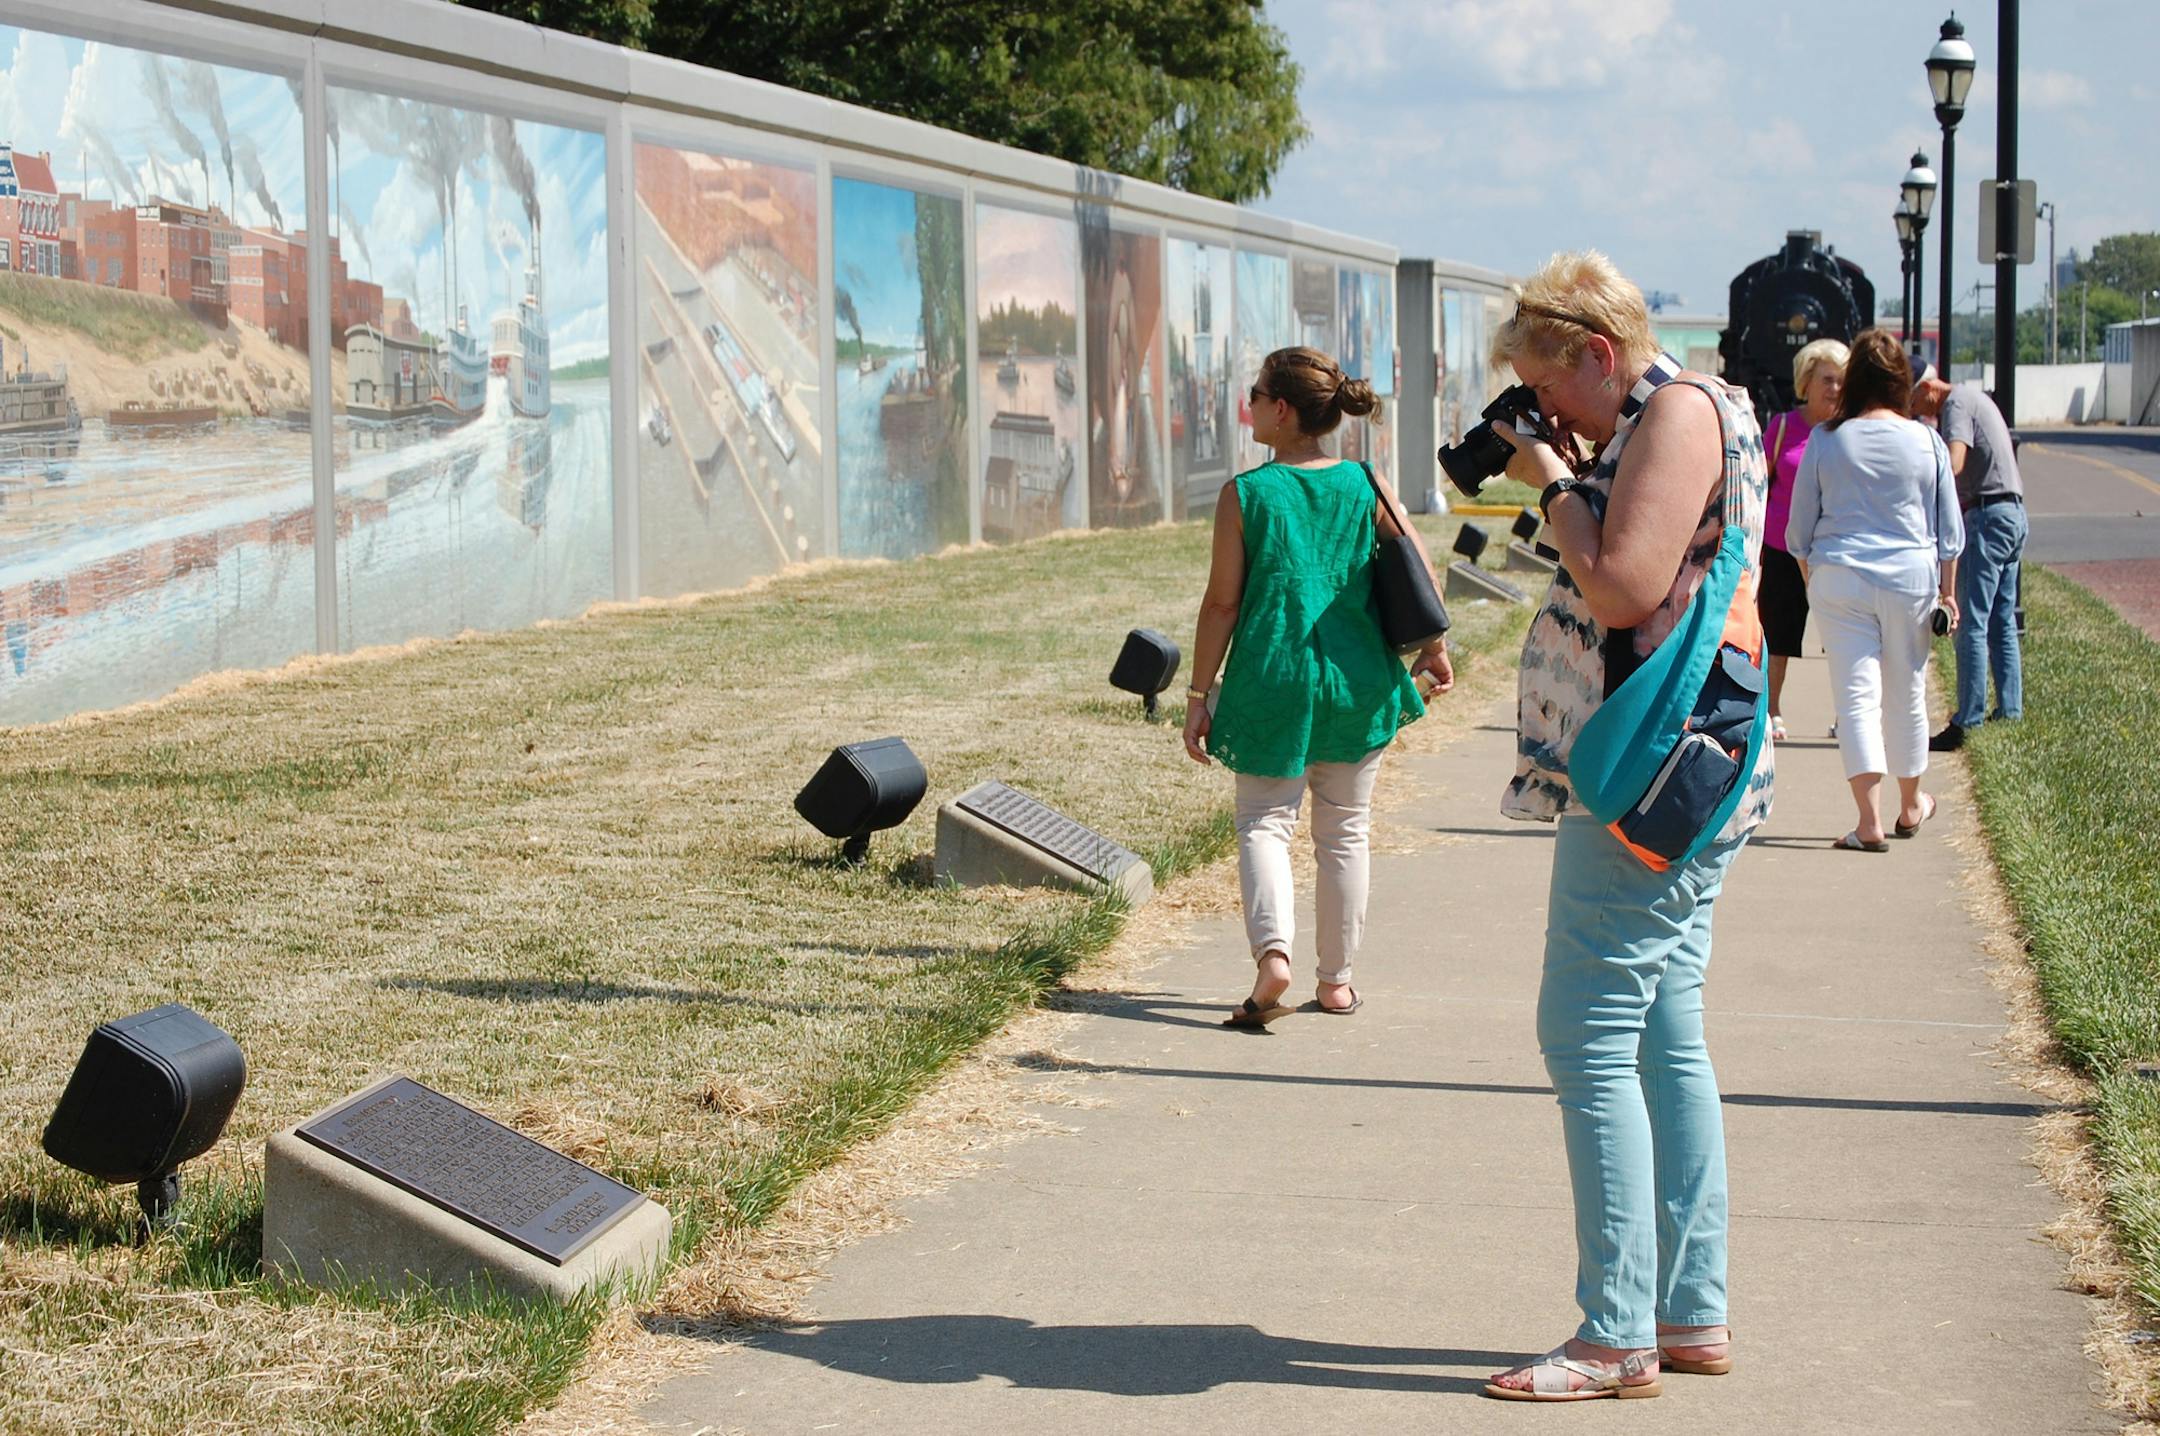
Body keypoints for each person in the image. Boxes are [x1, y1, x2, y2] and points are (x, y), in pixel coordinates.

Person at [1481, 252, 1772, 1402]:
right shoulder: (1689, 409)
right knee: (1663, 1028)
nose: (1545, 412)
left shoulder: (1676, 417)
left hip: (1652, 768)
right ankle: (1686, 1308)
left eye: (1552, 389)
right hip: (1689, 756)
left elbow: (1624, 589)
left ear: (1599, 352)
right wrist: (1576, 459)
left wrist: (1554, 483)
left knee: (1586, 1030)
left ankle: (1615, 1333)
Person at [1180, 346, 1453, 1028]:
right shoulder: (1366, 483)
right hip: (1355, 681)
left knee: (1265, 823)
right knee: (1345, 833)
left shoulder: (1245, 495)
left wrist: (1197, 694)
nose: (1247, 403)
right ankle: (1337, 983)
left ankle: (1274, 957)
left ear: (1281, 408)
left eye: (1255, 392)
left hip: (1272, 677)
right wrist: (1435, 647)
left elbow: (1221, 604)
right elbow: (1416, 567)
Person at [1785, 329, 1963, 851]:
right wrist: (1947, 595)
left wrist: (1812, 579)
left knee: (1856, 697)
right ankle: (1912, 805)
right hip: (1909, 578)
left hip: (1839, 576)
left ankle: (1868, 822)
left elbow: (1799, 530)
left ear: (1854, 380)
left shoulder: (1826, 439)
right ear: (1902, 382)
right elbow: (1949, 532)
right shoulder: (1927, 440)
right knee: (1906, 692)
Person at [1911, 368, 2024, 750]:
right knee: (2001, 619)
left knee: (1972, 622)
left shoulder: (1957, 403)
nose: (1916, 412)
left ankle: (1968, 719)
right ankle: (2010, 709)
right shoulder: (1976, 398)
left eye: (1914, 402)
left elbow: (1954, 463)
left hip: (1986, 515)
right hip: (2012, 513)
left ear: (1928, 389)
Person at [1758, 338, 1848, 740]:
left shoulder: (1850, 431)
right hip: (1781, 549)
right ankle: (1772, 710)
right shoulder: (1782, 428)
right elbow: (1758, 484)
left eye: (1842, 381)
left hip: (1833, 552)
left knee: (1845, 640)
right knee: (1778, 636)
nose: (1835, 389)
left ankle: (1848, 716)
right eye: (1827, 379)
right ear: (1806, 382)